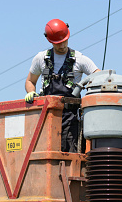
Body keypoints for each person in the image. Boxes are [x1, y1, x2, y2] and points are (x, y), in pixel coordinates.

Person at [25, 19, 99, 152]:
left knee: (70, 152)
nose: (62, 45)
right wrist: (31, 92)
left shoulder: (79, 59)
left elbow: (99, 76)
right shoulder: (41, 58)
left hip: (71, 118)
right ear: (50, 41)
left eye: (64, 41)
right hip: (46, 116)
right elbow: (30, 81)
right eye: (58, 43)